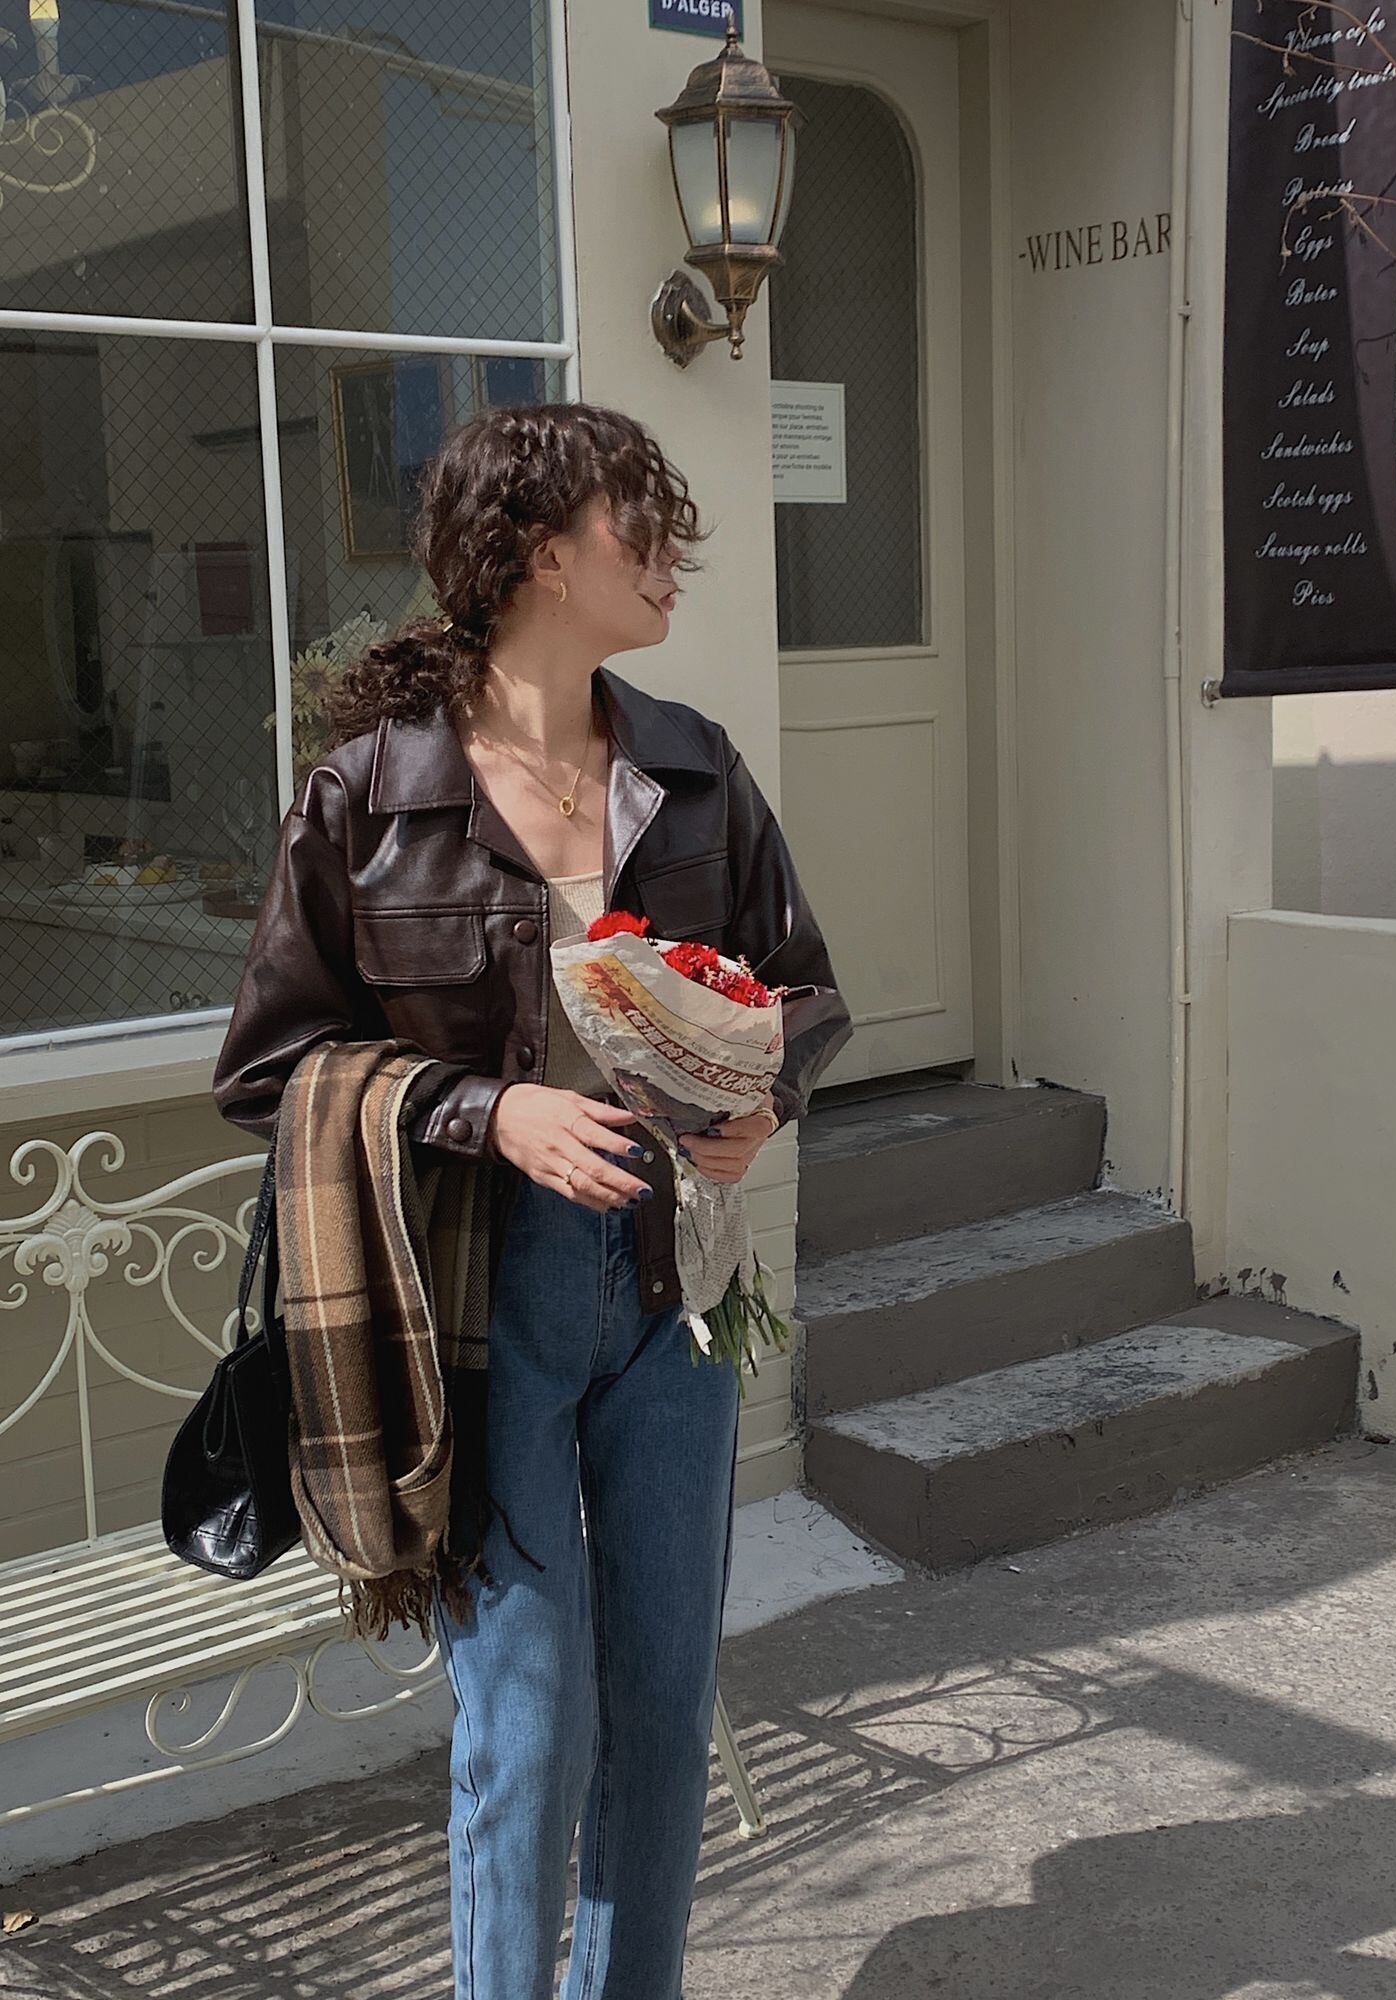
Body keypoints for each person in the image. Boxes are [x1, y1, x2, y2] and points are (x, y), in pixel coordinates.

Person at [212, 401, 853, 2000]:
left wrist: (759, 1099)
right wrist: (489, 1113)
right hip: (474, 1309)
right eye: (641, 523)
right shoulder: (369, 796)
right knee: (529, 1714)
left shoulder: (693, 770)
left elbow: (807, 989)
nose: (674, 555)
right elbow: (272, 1065)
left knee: (664, 1700)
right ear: (543, 552)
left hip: (676, 1286)